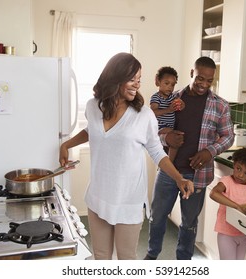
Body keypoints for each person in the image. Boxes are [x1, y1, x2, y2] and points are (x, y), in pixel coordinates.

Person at [59, 52, 194, 260]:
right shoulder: (93, 106)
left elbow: (157, 151)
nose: (137, 85)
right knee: (101, 256)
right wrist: (67, 144)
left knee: (126, 259)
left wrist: (179, 178)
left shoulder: (144, 116)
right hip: (98, 196)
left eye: (139, 80)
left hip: (129, 199)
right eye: (132, 79)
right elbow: (92, 131)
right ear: (115, 78)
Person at [144, 56, 234, 260]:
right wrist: (167, 137)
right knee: (157, 217)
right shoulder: (172, 99)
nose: (204, 84)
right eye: (200, 78)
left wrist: (209, 151)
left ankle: (183, 262)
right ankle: (151, 256)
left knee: (189, 222)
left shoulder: (220, 106)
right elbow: (152, 131)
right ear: (192, 73)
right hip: (169, 170)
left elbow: (228, 136)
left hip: (198, 175)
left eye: (209, 80)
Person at [209, 147, 246, 260]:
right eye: (238, 169)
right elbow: (213, 193)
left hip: (243, 234)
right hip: (226, 234)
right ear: (234, 164)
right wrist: (236, 206)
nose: (241, 175)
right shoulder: (227, 181)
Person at [150, 66, 184, 161]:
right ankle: (169, 162)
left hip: (169, 127)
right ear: (158, 81)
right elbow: (153, 112)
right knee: (175, 140)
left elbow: (181, 105)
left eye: (173, 85)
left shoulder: (172, 97)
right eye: (166, 83)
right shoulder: (156, 97)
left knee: (176, 140)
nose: (170, 87)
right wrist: (169, 110)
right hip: (160, 127)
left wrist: (181, 104)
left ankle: (169, 161)